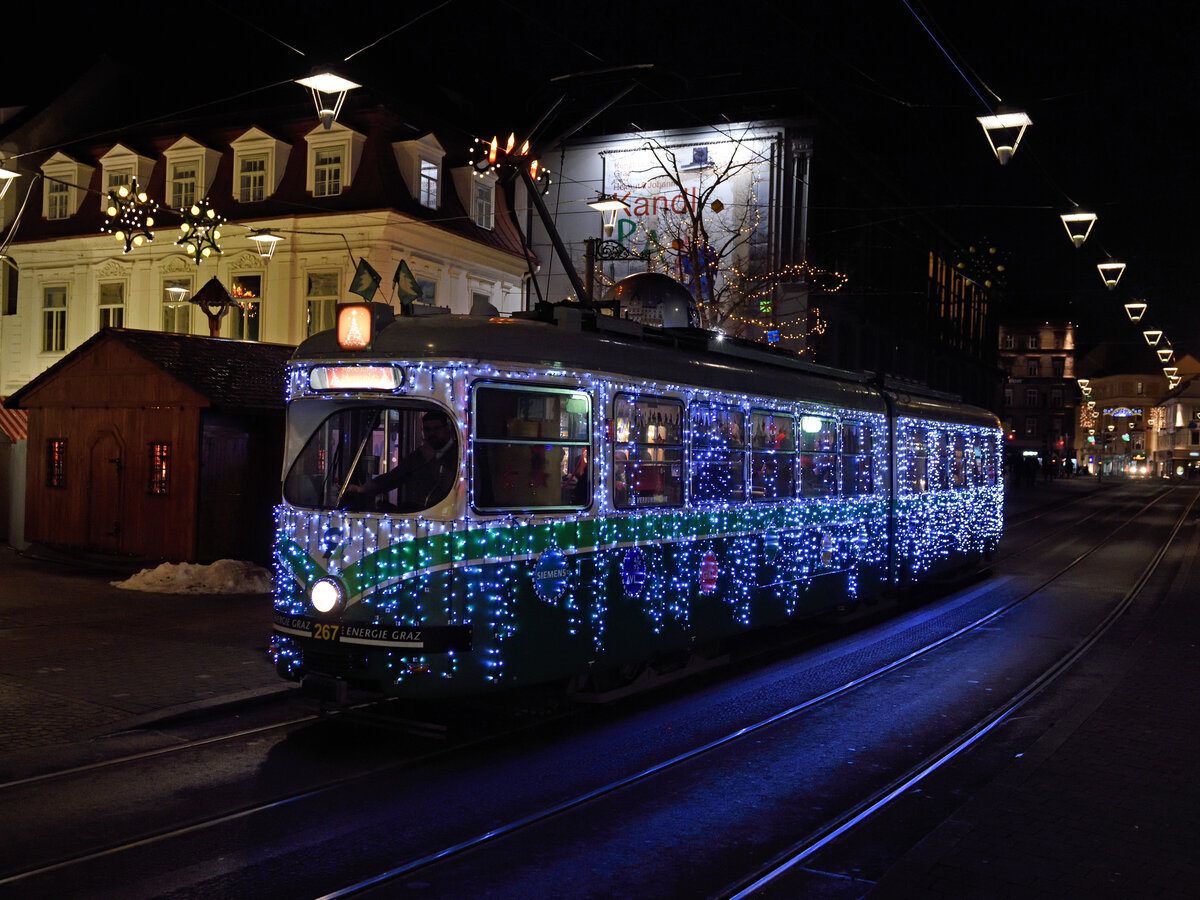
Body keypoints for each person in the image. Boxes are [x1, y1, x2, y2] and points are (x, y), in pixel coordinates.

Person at [347, 411, 456, 510]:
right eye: (427, 430)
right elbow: (393, 477)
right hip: (417, 512)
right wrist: (361, 489)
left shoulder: (459, 454)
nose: (432, 434)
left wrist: (432, 460)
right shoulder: (418, 455)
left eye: (437, 429)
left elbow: (450, 485)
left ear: (447, 429)